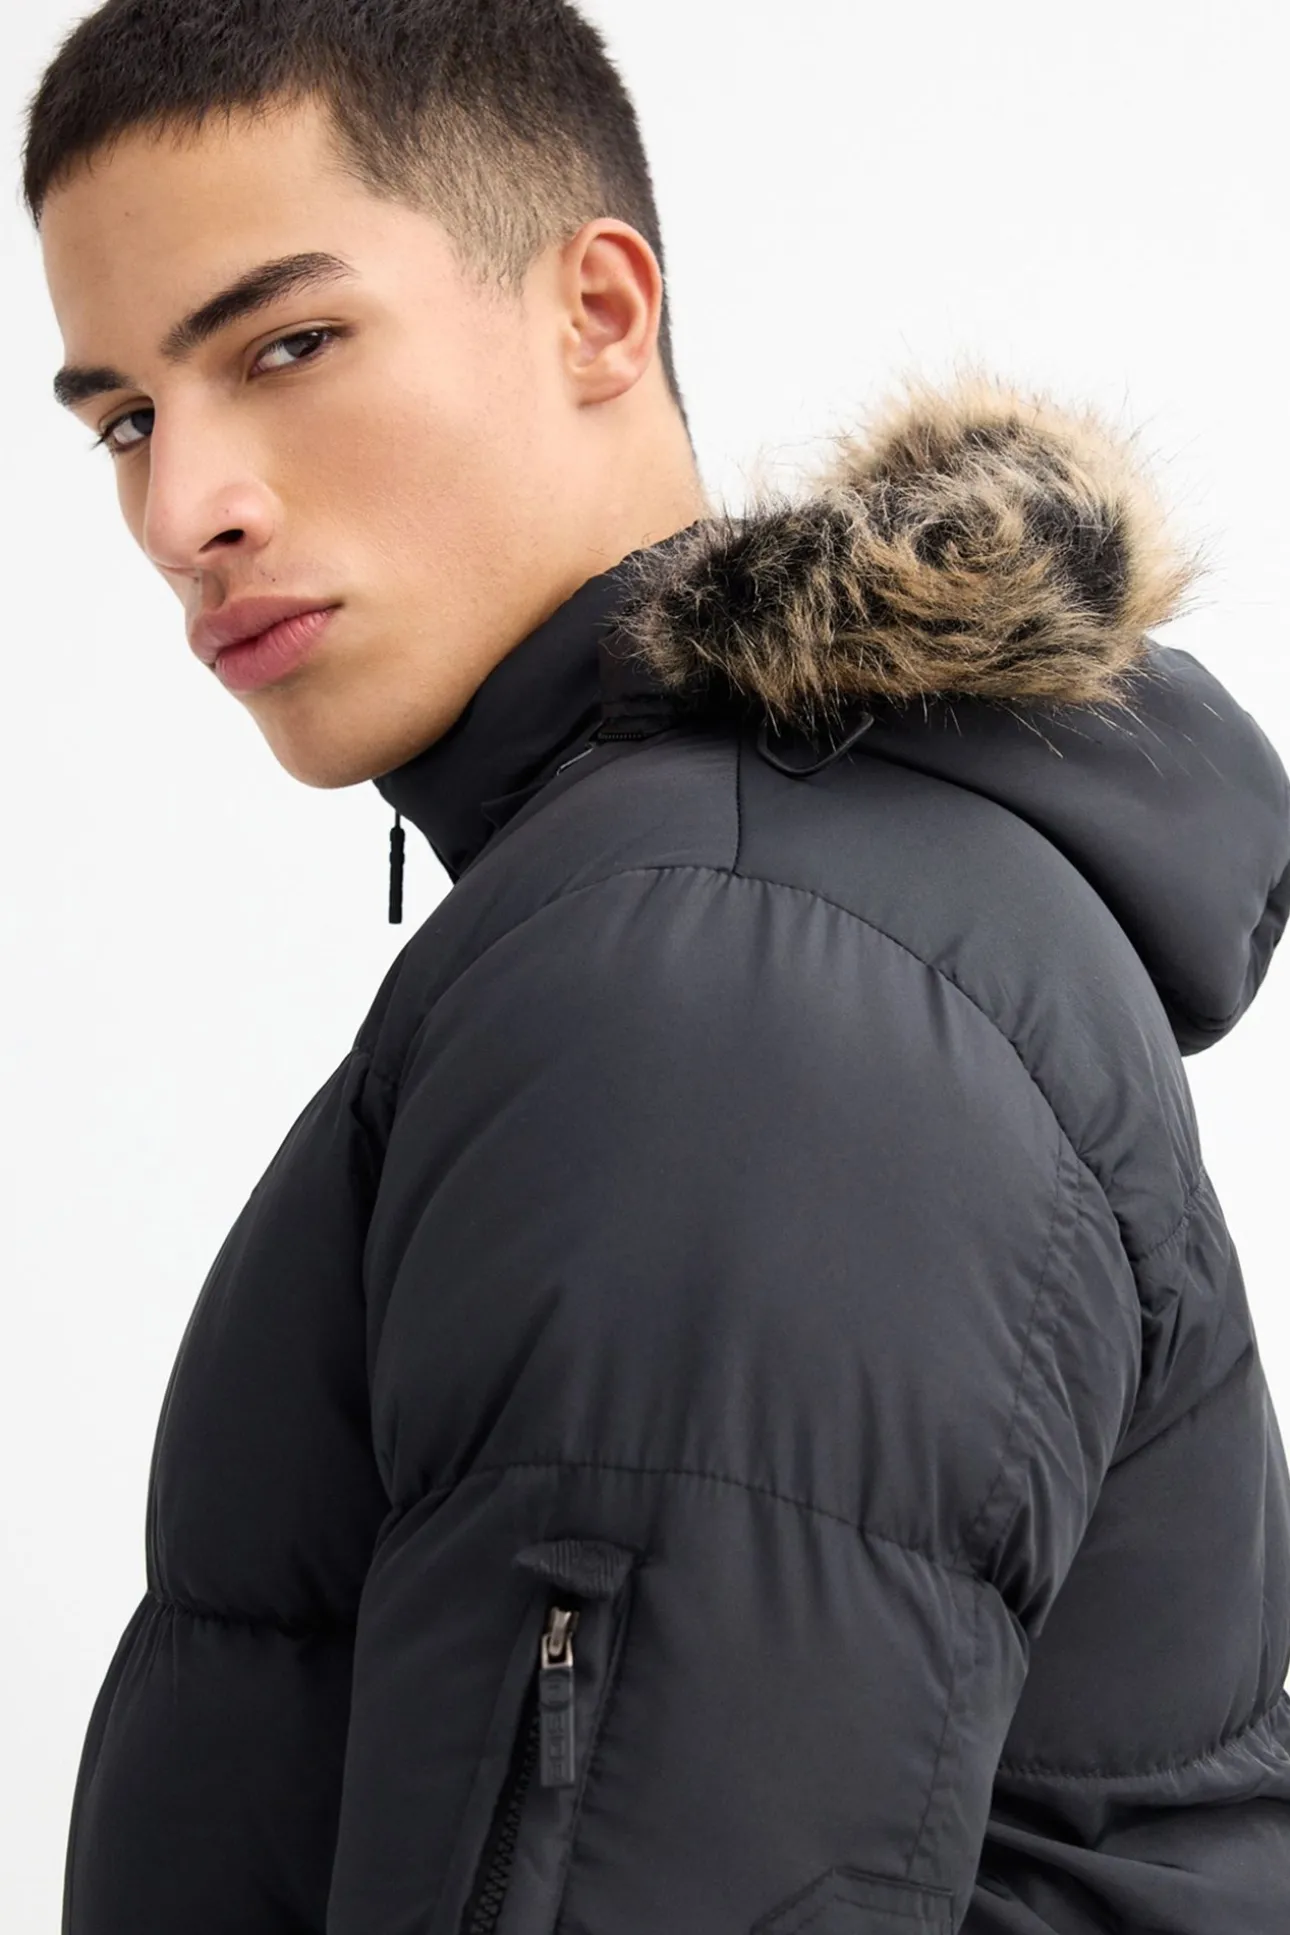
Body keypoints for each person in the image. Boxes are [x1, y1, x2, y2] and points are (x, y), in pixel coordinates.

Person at [24, 2, 1290, 1931]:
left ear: (597, 312)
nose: (183, 511)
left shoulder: (723, 974)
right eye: (124, 417)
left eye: (286, 347)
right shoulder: (734, 892)